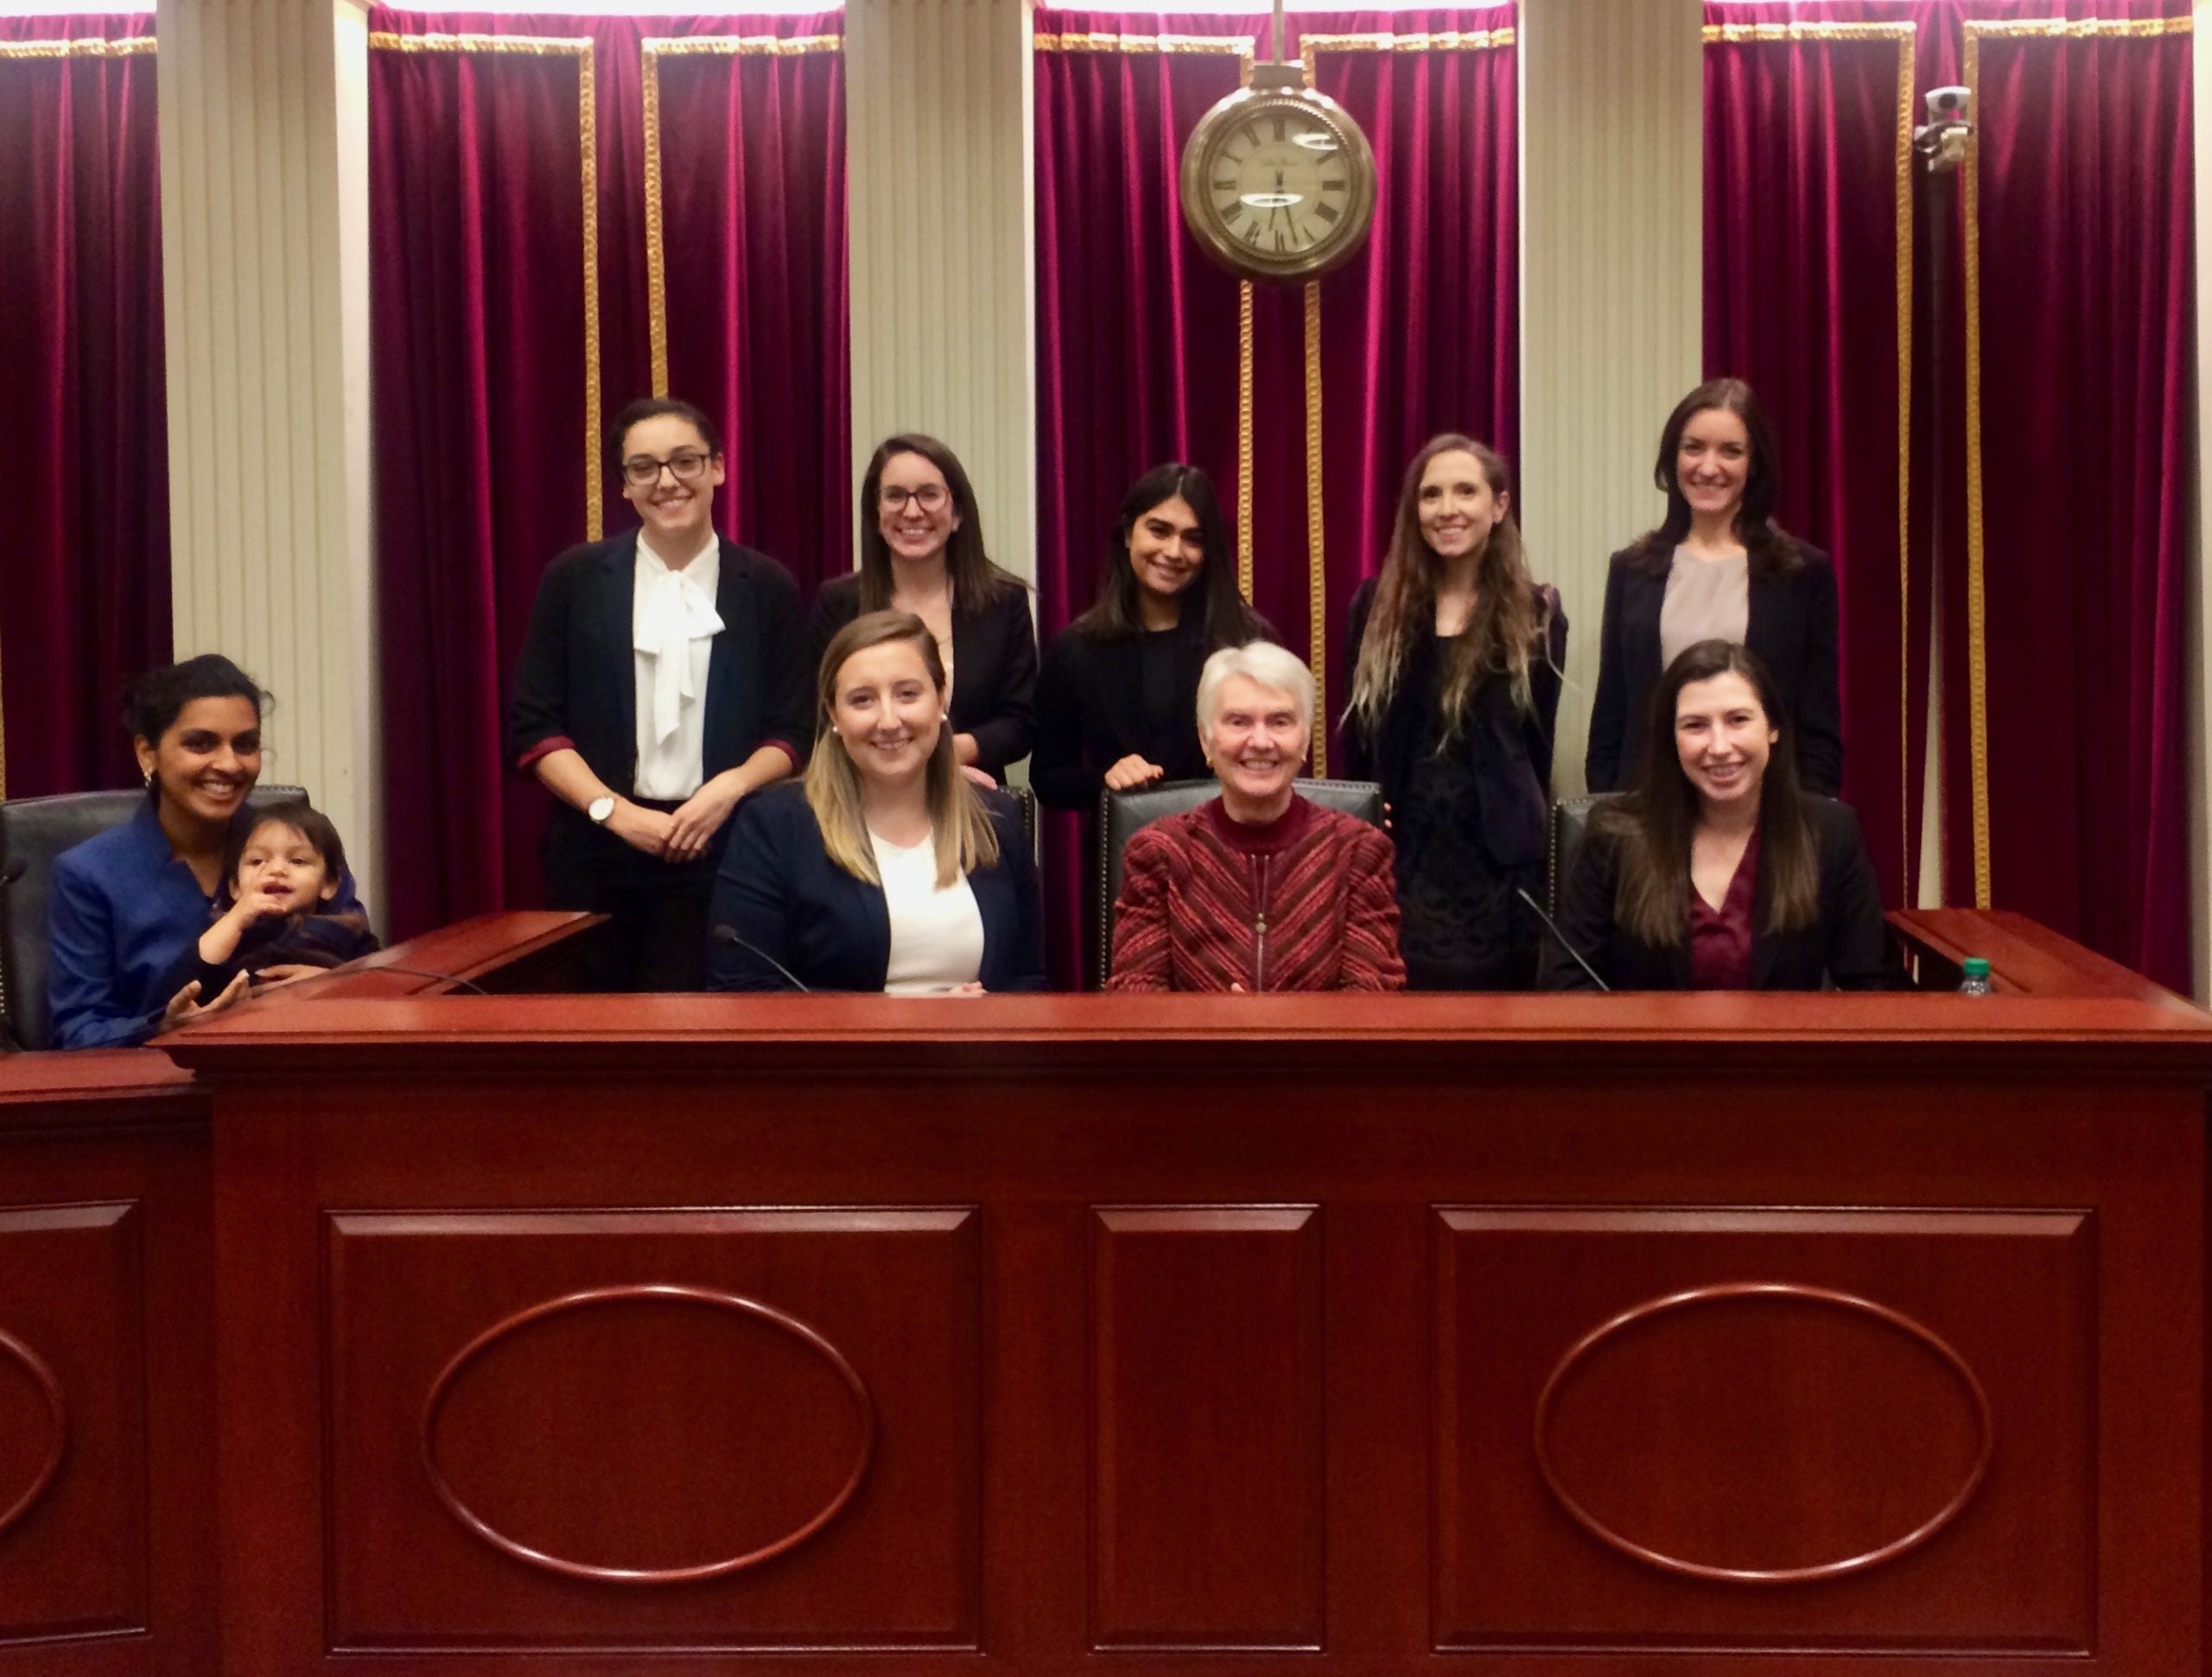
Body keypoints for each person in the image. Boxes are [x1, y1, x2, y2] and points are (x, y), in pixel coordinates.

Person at [509, 396, 811, 990]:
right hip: (595, 856)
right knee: (596, 1045)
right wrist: (614, 813)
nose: (666, 480)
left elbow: (793, 728)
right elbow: (535, 724)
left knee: (703, 1045)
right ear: (624, 485)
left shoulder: (767, 586)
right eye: (644, 467)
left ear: (717, 468)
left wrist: (728, 789)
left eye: (684, 462)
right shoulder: (573, 579)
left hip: (727, 851)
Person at [707, 611, 1045, 993]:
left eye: (907, 694)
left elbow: (1027, 980)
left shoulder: (997, 819)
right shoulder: (773, 827)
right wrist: (917, 1024)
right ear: (834, 714)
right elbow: (743, 992)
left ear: (940, 698)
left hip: (980, 1051)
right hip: (838, 1054)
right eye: (862, 700)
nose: (888, 721)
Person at [1541, 639, 1906, 991]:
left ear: (1773, 728)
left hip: (1781, 1053)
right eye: (1695, 725)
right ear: (1671, 738)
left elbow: (1875, 985)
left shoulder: (1832, 834)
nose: (1719, 747)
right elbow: (1566, 982)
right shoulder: (1613, 834)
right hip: (1650, 1053)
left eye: (1737, 720)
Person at [47, 656, 365, 1048]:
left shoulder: (301, 848)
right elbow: (77, 1034)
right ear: (148, 754)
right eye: (201, 744)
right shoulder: (89, 874)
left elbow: (375, 962)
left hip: (297, 1078)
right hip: (156, 1093)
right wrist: (163, 1027)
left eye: (245, 744)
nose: (229, 764)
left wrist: (338, 984)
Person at [1341, 435, 1565, 990]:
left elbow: (1537, 749)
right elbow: (1358, 743)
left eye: (1466, 491)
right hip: (1399, 861)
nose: (1447, 509)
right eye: (1431, 494)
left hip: (1501, 872)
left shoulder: (1537, 614)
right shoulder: (1375, 608)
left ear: (1499, 506)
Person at [1033, 463, 1271, 981]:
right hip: (1122, 869)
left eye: (1193, 538)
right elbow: (1046, 776)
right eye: (1159, 530)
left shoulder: (1248, 640)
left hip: (1230, 862)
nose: (1173, 552)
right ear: (1127, 534)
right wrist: (1105, 781)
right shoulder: (1076, 647)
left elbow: (1276, 755)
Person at [1586, 378, 1842, 796]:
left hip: (1766, 816)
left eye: (1731, 451)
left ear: (1754, 464)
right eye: (1694, 448)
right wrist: (1608, 809)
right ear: (1673, 457)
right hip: (1649, 814)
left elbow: (1819, 728)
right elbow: (1611, 719)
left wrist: (1808, 828)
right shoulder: (1631, 570)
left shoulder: (1802, 574)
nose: (1708, 467)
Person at [1107, 641, 1405, 993]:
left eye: (1280, 722)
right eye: (1239, 721)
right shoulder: (1159, 852)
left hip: (1321, 1049)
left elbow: (1374, 995)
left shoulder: (1359, 851)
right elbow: (1134, 992)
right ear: (1206, 740)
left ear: (1306, 738)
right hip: (1197, 1048)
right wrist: (1219, 1026)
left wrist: (1284, 1028)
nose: (1260, 741)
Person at [808, 435, 1036, 783]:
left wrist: (937, 754)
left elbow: (1021, 723)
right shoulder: (838, 603)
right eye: (895, 496)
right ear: (875, 514)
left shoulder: (1004, 601)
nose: (912, 511)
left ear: (957, 513)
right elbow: (821, 718)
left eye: (929, 494)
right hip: (861, 796)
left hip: (972, 796)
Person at [156, 799, 378, 1000]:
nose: (276, 869)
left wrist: (333, 981)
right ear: (234, 887)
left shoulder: (347, 928)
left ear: (329, 884)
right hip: (240, 1034)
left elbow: (379, 988)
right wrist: (235, 919)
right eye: (257, 861)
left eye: (298, 861)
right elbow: (179, 989)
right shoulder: (224, 930)